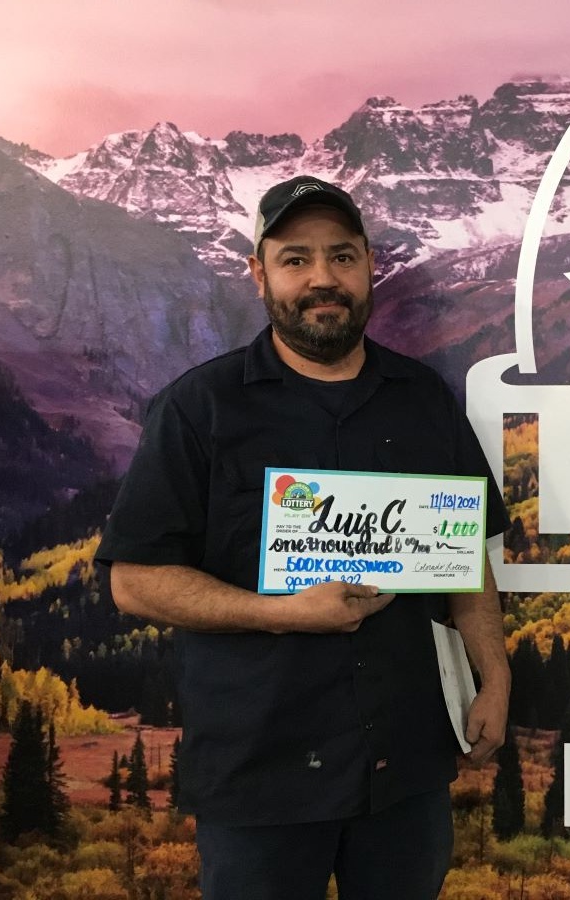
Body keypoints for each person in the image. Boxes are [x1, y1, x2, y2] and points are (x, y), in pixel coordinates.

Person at [95, 175, 510, 899]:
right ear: (260, 274)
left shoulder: (423, 400)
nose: (323, 278)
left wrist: (496, 673)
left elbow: (461, 553)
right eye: (296, 259)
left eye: (342, 256)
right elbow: (133, 580)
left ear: (369, 265)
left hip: (405, 770)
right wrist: (285, 613)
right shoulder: (202, 408)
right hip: (261, 776)